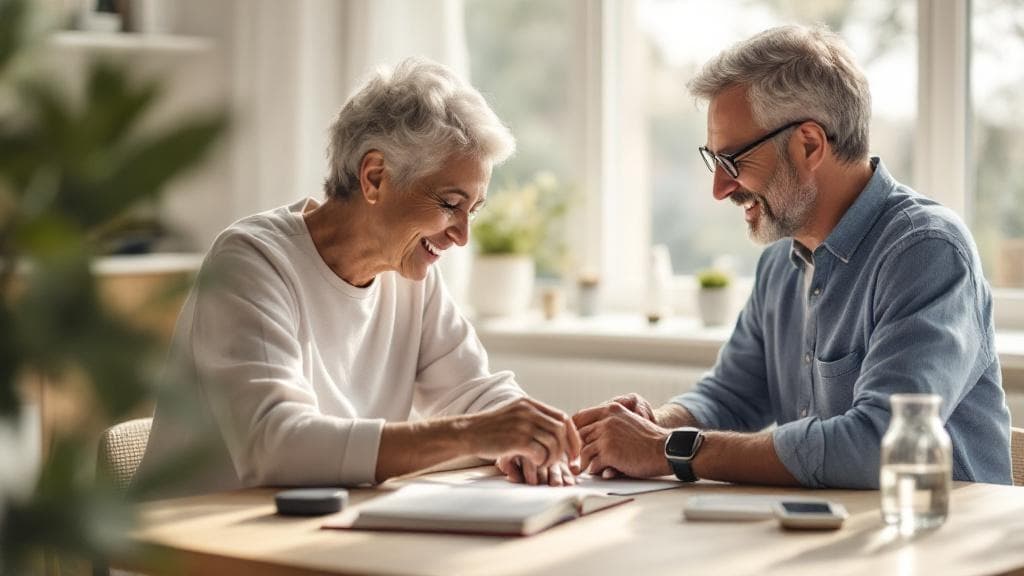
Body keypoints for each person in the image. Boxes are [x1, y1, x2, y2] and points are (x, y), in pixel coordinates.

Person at [571, 24, 1012, 489]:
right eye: (714, 161)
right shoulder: (782, 259)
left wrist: (668, 450)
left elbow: (880, 444)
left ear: (809, 145)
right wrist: (654, 423)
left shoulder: (926, 253)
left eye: (732, 162)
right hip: (833, 537)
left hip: (937, 546)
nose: (719, 189)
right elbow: (733, 395)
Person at [136, 58, 580, 497]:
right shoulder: (253, 260)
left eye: (473, 211)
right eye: (450, 204)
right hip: (197, 547)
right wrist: (473, 434)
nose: (462, 236)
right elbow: (275, 444)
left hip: (314, 533)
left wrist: (542, 435)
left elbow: (473, 393)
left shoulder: (412, 274)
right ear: (374, 177)